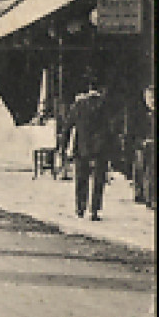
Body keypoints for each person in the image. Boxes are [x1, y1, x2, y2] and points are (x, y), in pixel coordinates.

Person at [59, 76, 113, 221]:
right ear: (100, 90)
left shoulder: (78, 105)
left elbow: (67, 127)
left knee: (81, 178)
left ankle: (80, 208)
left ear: (88, 89)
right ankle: (94, 210)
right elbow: (110, 129)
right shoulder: (104, 105)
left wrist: (62, 147)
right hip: (101, 149)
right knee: (98, 180)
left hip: (81, 148)